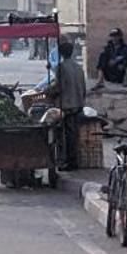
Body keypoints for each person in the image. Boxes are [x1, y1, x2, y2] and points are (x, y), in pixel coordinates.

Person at [55, 37, 87, 168]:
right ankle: (74, 161)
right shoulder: (78, 67)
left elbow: (59, 87)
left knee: (65, 136)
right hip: (78, 104)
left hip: (67, 105)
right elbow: (84, 87)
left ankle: (68, 161)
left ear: (61, 53)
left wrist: (48, 91)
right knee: (74, 134)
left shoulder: (61, 67)